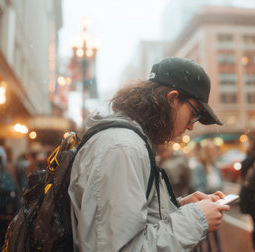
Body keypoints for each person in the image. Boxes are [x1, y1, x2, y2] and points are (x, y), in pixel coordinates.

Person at [68, 57, 230, 251]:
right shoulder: (123, 148)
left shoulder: (131, 143)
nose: (191, 126)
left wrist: (180, 208)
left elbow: (133, 222)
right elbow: (120, 248)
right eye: (194, 113)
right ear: (172, 99)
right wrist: (196, 219)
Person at [191, 140, 225, 252]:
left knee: (216, 231)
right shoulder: (199, 167)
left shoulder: (215, 166)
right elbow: (196, 186)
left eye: (214, 150)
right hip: (205, 204)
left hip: (215, 203)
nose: (212, 152)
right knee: (206, 234)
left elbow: (221, 183)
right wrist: (211, 191)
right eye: (210, 150)